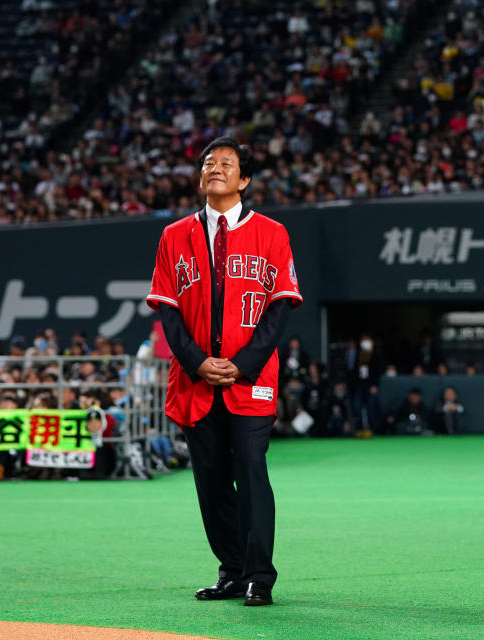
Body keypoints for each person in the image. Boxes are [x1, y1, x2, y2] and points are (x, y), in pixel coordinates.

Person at [146, 136, 302, 607]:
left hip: (249, 380)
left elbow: (279, 310)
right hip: (196, 381)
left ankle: (259, 575)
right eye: (208, 163)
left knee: (251, 472)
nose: (215, 168)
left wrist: (242, 365)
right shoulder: (174, 235)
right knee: (210, 481)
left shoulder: (272, 233)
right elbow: (168, 313)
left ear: (245, 179)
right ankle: (231, 569)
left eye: (227, 163)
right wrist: (198, 362)